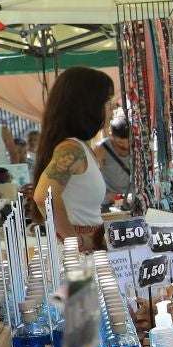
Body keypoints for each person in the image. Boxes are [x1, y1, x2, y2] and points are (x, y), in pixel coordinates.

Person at [30, 66, 117, 253]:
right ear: (90, 106)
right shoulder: (72, 149)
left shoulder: (80, 148)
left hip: (88, 251)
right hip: (80, 257)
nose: (113, 107)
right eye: (108, 102)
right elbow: (43, 195)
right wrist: (74, 241)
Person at [96, 117, 136, 201]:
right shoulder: (101, 149)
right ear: (111, 136)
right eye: (121, 142)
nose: (126, 146)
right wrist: (106, 194)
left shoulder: (137, 145)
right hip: (112, 199)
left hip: (134, 198)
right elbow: (94, 177)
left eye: (129, 141)